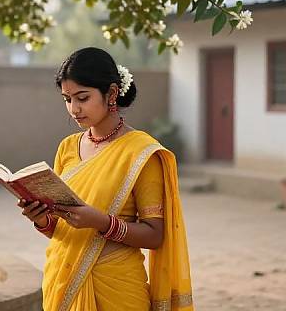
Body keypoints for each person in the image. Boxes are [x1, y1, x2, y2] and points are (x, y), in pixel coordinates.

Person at [18, 47, 193, 311]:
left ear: (111, 93)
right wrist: (41, 219)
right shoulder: (67, 148)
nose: (74, 109)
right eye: (67, 99)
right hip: (63, 279)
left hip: (117, 288)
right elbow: (62, 229)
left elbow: (155, 236)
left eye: (82, 98)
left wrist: (100, 222)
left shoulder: (141, 152)